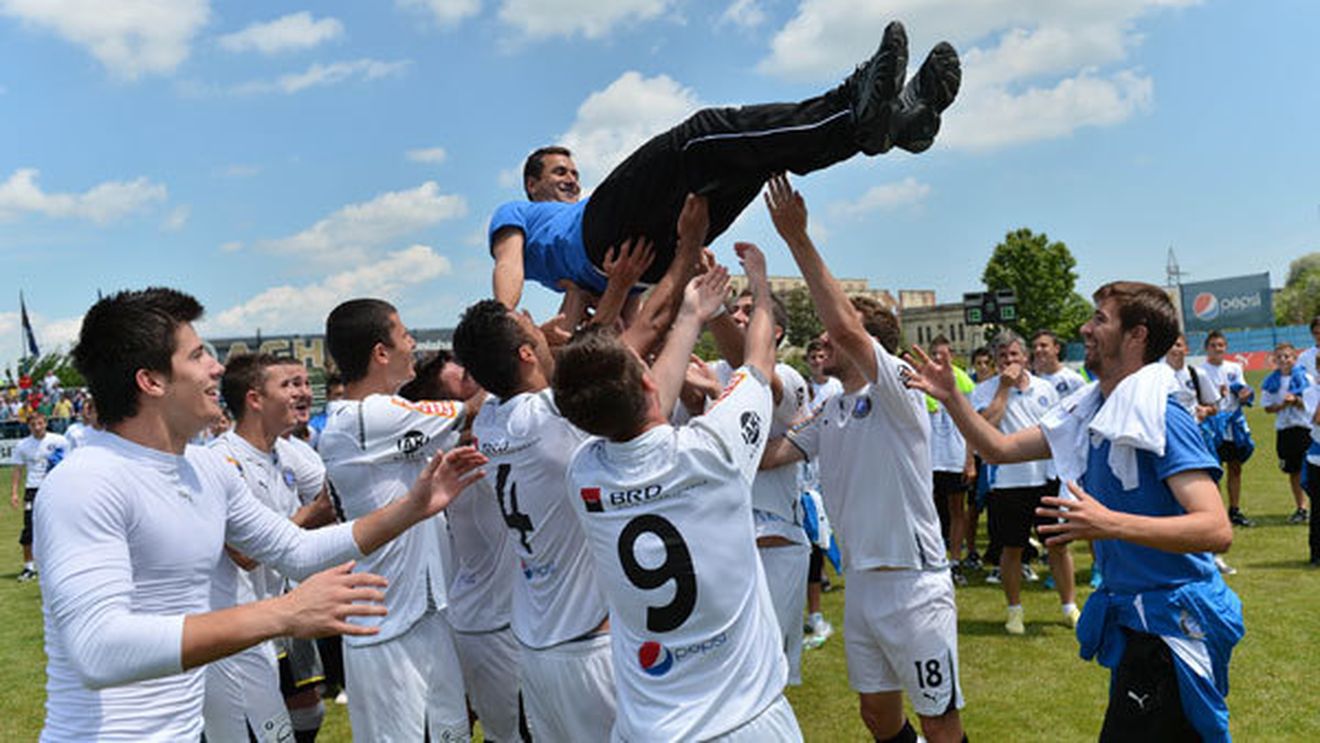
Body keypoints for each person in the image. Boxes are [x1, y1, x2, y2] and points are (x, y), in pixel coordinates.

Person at [35, 288, 486, 741]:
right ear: (151, 381)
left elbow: (297, 550)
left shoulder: (206, 468)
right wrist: (282, 613)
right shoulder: (86, 482)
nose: (217, 368)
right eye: (197, 356)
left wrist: (411, 509)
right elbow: (99, 650)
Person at [907, 281, 1242, 742]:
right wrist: (952, 398)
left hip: (1173, 629)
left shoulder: (1161, 416)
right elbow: (999, 448)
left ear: (1136, 336)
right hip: (1140, 625)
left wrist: (1108, 524)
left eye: (1100, 319)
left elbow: (1215, 527)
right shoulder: (1094, 411)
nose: (1085, 328)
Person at [489, 21, 960, 307]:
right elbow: (508, 262)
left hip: (649, 263)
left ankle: (889, 125)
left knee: (748, 160)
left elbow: (619, 310)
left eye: (573, 171)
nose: (571, 178)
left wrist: (659, 279)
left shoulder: (578, 241)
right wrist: (502, 317)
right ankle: (853, 109)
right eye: (558, 173)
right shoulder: (519, 213)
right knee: (702, 133)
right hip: (601, 238)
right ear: (532, 185)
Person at [555, 240, 804, 741]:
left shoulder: (585, 472)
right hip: (745, 721)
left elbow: (641, 409)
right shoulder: (714, 448)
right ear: (647, 386)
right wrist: (758, 282)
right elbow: (758, 357)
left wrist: (691, 316)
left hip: (647, 728)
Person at [757, 175, 964, 742]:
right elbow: (774, 455)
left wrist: (797, 239)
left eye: (834, 333)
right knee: (877, 716)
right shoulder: (830, 409)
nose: (824, 340)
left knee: (939, 719)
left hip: (914, 579)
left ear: (866, 343)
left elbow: (846, 325)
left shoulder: (896, 385)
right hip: (866, 583)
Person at [317, 298, 482, 742]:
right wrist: (511, 350)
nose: (413, 343)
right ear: (380, 353)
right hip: (385, 630)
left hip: (422, 614)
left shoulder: (380, 416)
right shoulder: (370, 417)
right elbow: (475, 407)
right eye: (404, 334)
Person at [204, 354, 337, 743]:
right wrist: (310, 514)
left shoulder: (292, 450)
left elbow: (337, 499)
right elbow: (243, 555)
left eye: (304, 382)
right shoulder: (221, 460)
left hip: (283, 608)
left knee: (308, 707)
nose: (304, 392)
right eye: (290, 384)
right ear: (255, 399)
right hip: (236, 623)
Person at [399, 352, 527, 743]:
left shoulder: (486, 438)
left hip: (500, 618)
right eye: (469, 378)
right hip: (491, 626)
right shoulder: (464, 456)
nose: (484, 380)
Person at [969, 331, 1078, 634]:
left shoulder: (1045, 388)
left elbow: (1060, 430)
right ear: (995, 360)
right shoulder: (984, 390)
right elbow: (985, 426)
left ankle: (1069, 606)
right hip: (1007, 482)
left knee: (1058, 545)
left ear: (1026, 357)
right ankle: (1014, 610)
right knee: (1012, 548)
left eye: (1014, 354)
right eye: (1003, 356)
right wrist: (1003, 388)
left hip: (1047, 478)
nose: (1009, 361)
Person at [925, 335, 975, 586]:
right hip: (930, 460)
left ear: (951, 355)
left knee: (957, 510)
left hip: (954, 457)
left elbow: (971, 425)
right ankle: (935, 559)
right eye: (934, 354)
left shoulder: (964, 381)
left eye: (942, 354)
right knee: (930, 511)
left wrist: (970, 460)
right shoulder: (923, 379)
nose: (937, 359)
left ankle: (955, 560)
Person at [1200, 331, 1256, 527]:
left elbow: (1243, 391)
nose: (1218, 349)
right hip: (1212, 425)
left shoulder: (1234, 368)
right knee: (1214, 470)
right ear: (1206, 348)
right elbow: (1198, 398)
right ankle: (1215, 513)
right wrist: (1218, 396)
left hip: (1232, 424)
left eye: (1221, 345)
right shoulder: (1200, 371)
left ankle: (1234, 510)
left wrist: (1244, 395)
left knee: (1235, 467)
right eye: (1214, 345)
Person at [9, 410, 68, 581]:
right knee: (29, 527)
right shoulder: (23, 445)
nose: (37, 427)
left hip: (54, 488)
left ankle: (59, 565)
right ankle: (29, 568)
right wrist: (14, 492)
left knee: (58, 526)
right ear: (28, 426)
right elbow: (17, 470)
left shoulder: (59, 440)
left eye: (40, 423)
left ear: (46, 423)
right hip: (32, 490)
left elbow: (69, 462)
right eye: (33, 425)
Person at [1261, 343, 1311, 523]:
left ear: (1295, 359)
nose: (1283, 360)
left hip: (1305, 428)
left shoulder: (1306, 378)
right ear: (1274, 360)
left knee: (1313, 469)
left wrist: (1296, 400)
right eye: (1279, 357)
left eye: (1287, 356)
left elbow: (1312, 405)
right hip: (1285, 430)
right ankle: (1301, 508)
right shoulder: (1271, 382)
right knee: (1293, 470)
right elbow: (1267, 408)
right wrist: (1282, 405)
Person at [1165, 334, 1219, 422]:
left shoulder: (1198, 374)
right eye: (1169, 345)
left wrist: (1205, 411)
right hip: (1169, 431)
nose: (1173, 348)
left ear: (1186, 350)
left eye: (1178, 345)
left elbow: (1215, 408)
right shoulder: (1156, 376)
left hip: (1193, 429)